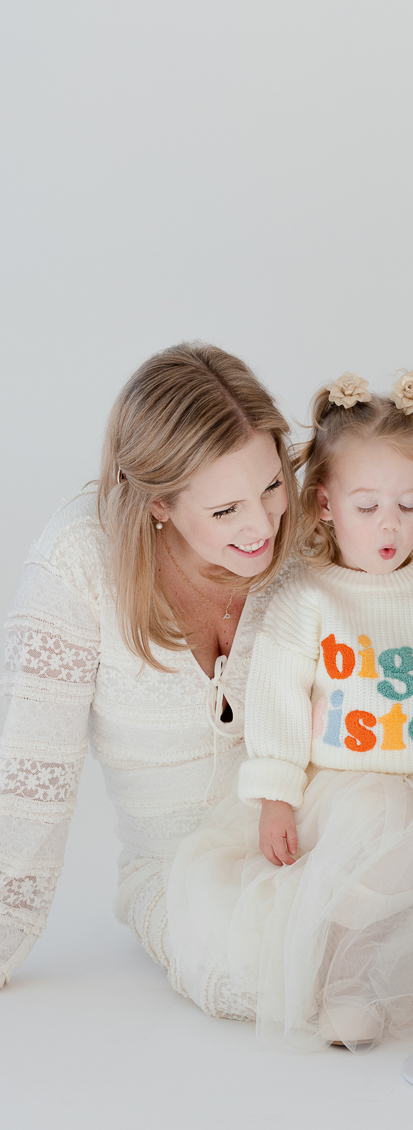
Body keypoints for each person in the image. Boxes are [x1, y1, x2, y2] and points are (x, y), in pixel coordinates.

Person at [166, 370, 413, 1051]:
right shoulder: (309, 598)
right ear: (324, 503)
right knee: (364, 881)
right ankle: (349, 987)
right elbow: (278, 706)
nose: (390, 524)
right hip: (353, 788)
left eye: (408, 505)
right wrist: (277, 797)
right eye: (368, 506)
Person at [0, 342, 301, 999]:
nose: (262, 525)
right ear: (159, 504)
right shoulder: (78, 563)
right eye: (225, 511)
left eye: (272, 485)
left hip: (308, 834)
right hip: (177, 868)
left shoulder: (302, 533)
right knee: (258, 977)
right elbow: (31, 782)